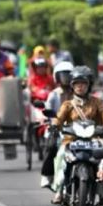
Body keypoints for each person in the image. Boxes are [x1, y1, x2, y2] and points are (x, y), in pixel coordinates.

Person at [50, 66, 103, 204]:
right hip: (71, 140)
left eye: (83, 83)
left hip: (94, 140)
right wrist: (55, 124)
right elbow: (59, 118)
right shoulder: (68, 104)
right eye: (76, 83)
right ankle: (59, 191)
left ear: (89, 85)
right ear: (72, 86)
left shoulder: (97, 102)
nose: (80, 87)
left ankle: (100, 193)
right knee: (61, 156)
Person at [40, 61, 74, 189]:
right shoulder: (53, 94)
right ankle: (47, 175)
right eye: (63, 75)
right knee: (52, 147)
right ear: (57, 77)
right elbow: (47, 110)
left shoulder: (77, 93)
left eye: (68, 75)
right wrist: (50, 120)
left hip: (76, 128)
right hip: (56, 128)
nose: (65, 78)